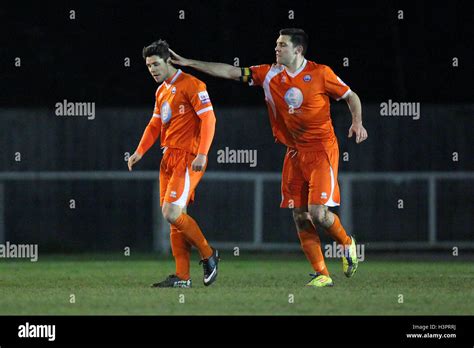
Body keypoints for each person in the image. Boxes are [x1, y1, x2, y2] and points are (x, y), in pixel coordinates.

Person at [169, 28, 368, 287]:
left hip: (321, 151)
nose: (276, 48)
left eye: (282, 45)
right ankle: (322, 274)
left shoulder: (321, 73)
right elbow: (231, 71)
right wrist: (189, 63)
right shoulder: (269, 73)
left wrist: (357, 122)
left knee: (318, 214)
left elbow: (350, 96)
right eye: (276, 43)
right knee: (299, 216)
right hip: (294, 152)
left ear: (298, 50)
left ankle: (347, 244)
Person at [128, 39, 219, 288]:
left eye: (156, 64)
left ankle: (209, 254)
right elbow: (155, 124)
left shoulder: (192, 84)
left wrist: (202, 153)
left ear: (169, 61)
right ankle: (182, 276)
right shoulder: (162, 91)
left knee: (171, 213)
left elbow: (209, 119)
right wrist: (139, 151)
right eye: (148, 66)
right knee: (175, 217)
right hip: (168, 157)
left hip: (188, 157)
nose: (152, 70)